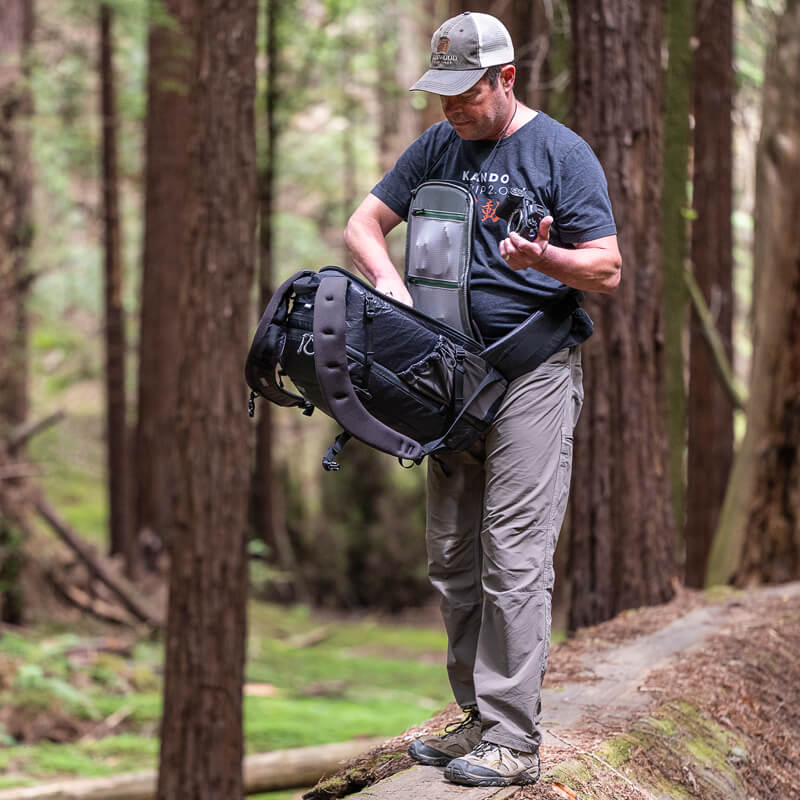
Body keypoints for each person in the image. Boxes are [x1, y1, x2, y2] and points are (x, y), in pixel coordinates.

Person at [344, 11, 621, 788]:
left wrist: (546, 256)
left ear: (505, 79)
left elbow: (607, 269)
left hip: (530, 375)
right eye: (441, 96)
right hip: (445, 384)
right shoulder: (437, 147)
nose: (451, 111)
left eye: (465, 95)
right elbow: (363, 224)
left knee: (513, 556)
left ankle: (515, 740)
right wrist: (388, 282)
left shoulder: (561, 153)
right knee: (452, 558)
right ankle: (476, 718)